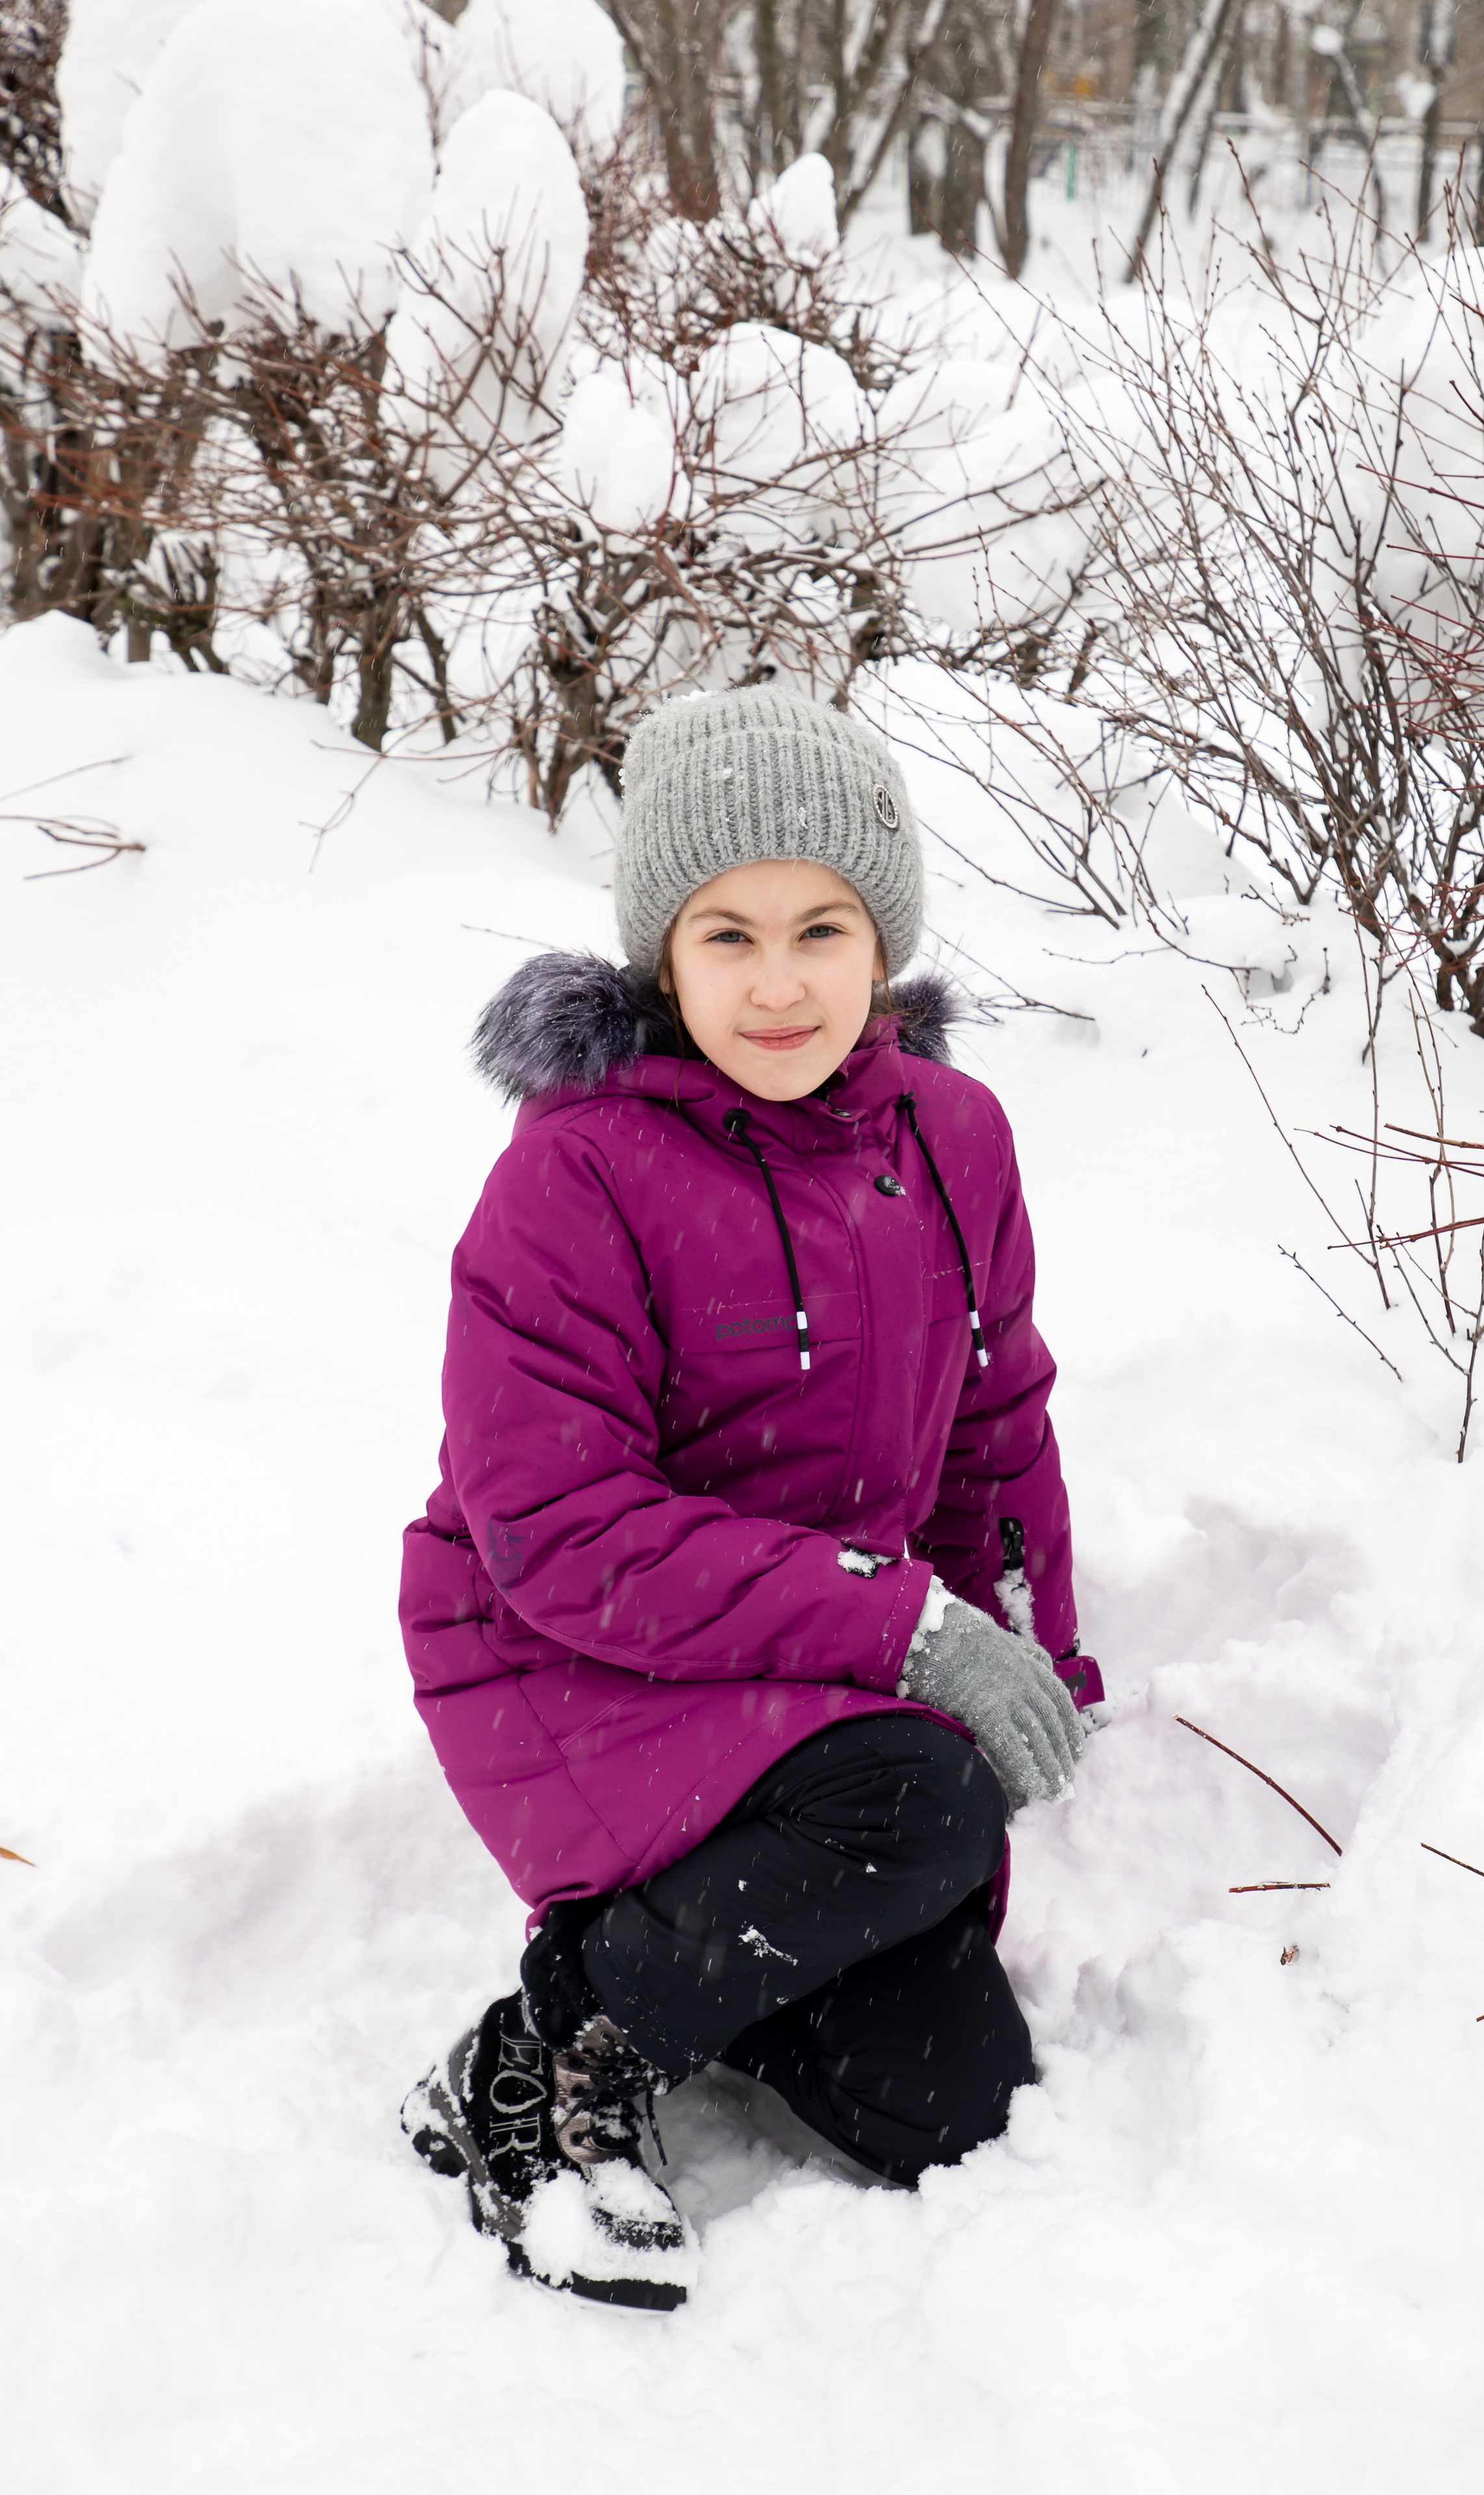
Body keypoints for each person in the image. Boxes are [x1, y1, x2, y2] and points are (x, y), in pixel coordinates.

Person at [398, 685, 1101, 2310]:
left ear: (883, 938)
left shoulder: (954, 1136)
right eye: (726, 936)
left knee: (950, 2105)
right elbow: (556, 1536)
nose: (777, 984)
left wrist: (1025, 1653)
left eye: (820, 928)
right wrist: (916, 1642)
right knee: (911, 1806)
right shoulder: (574, 1174)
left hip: (812, 1663)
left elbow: (994, 1422)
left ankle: (713, 1950)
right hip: (563, 1651)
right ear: (662, 951)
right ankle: (546, 2061)